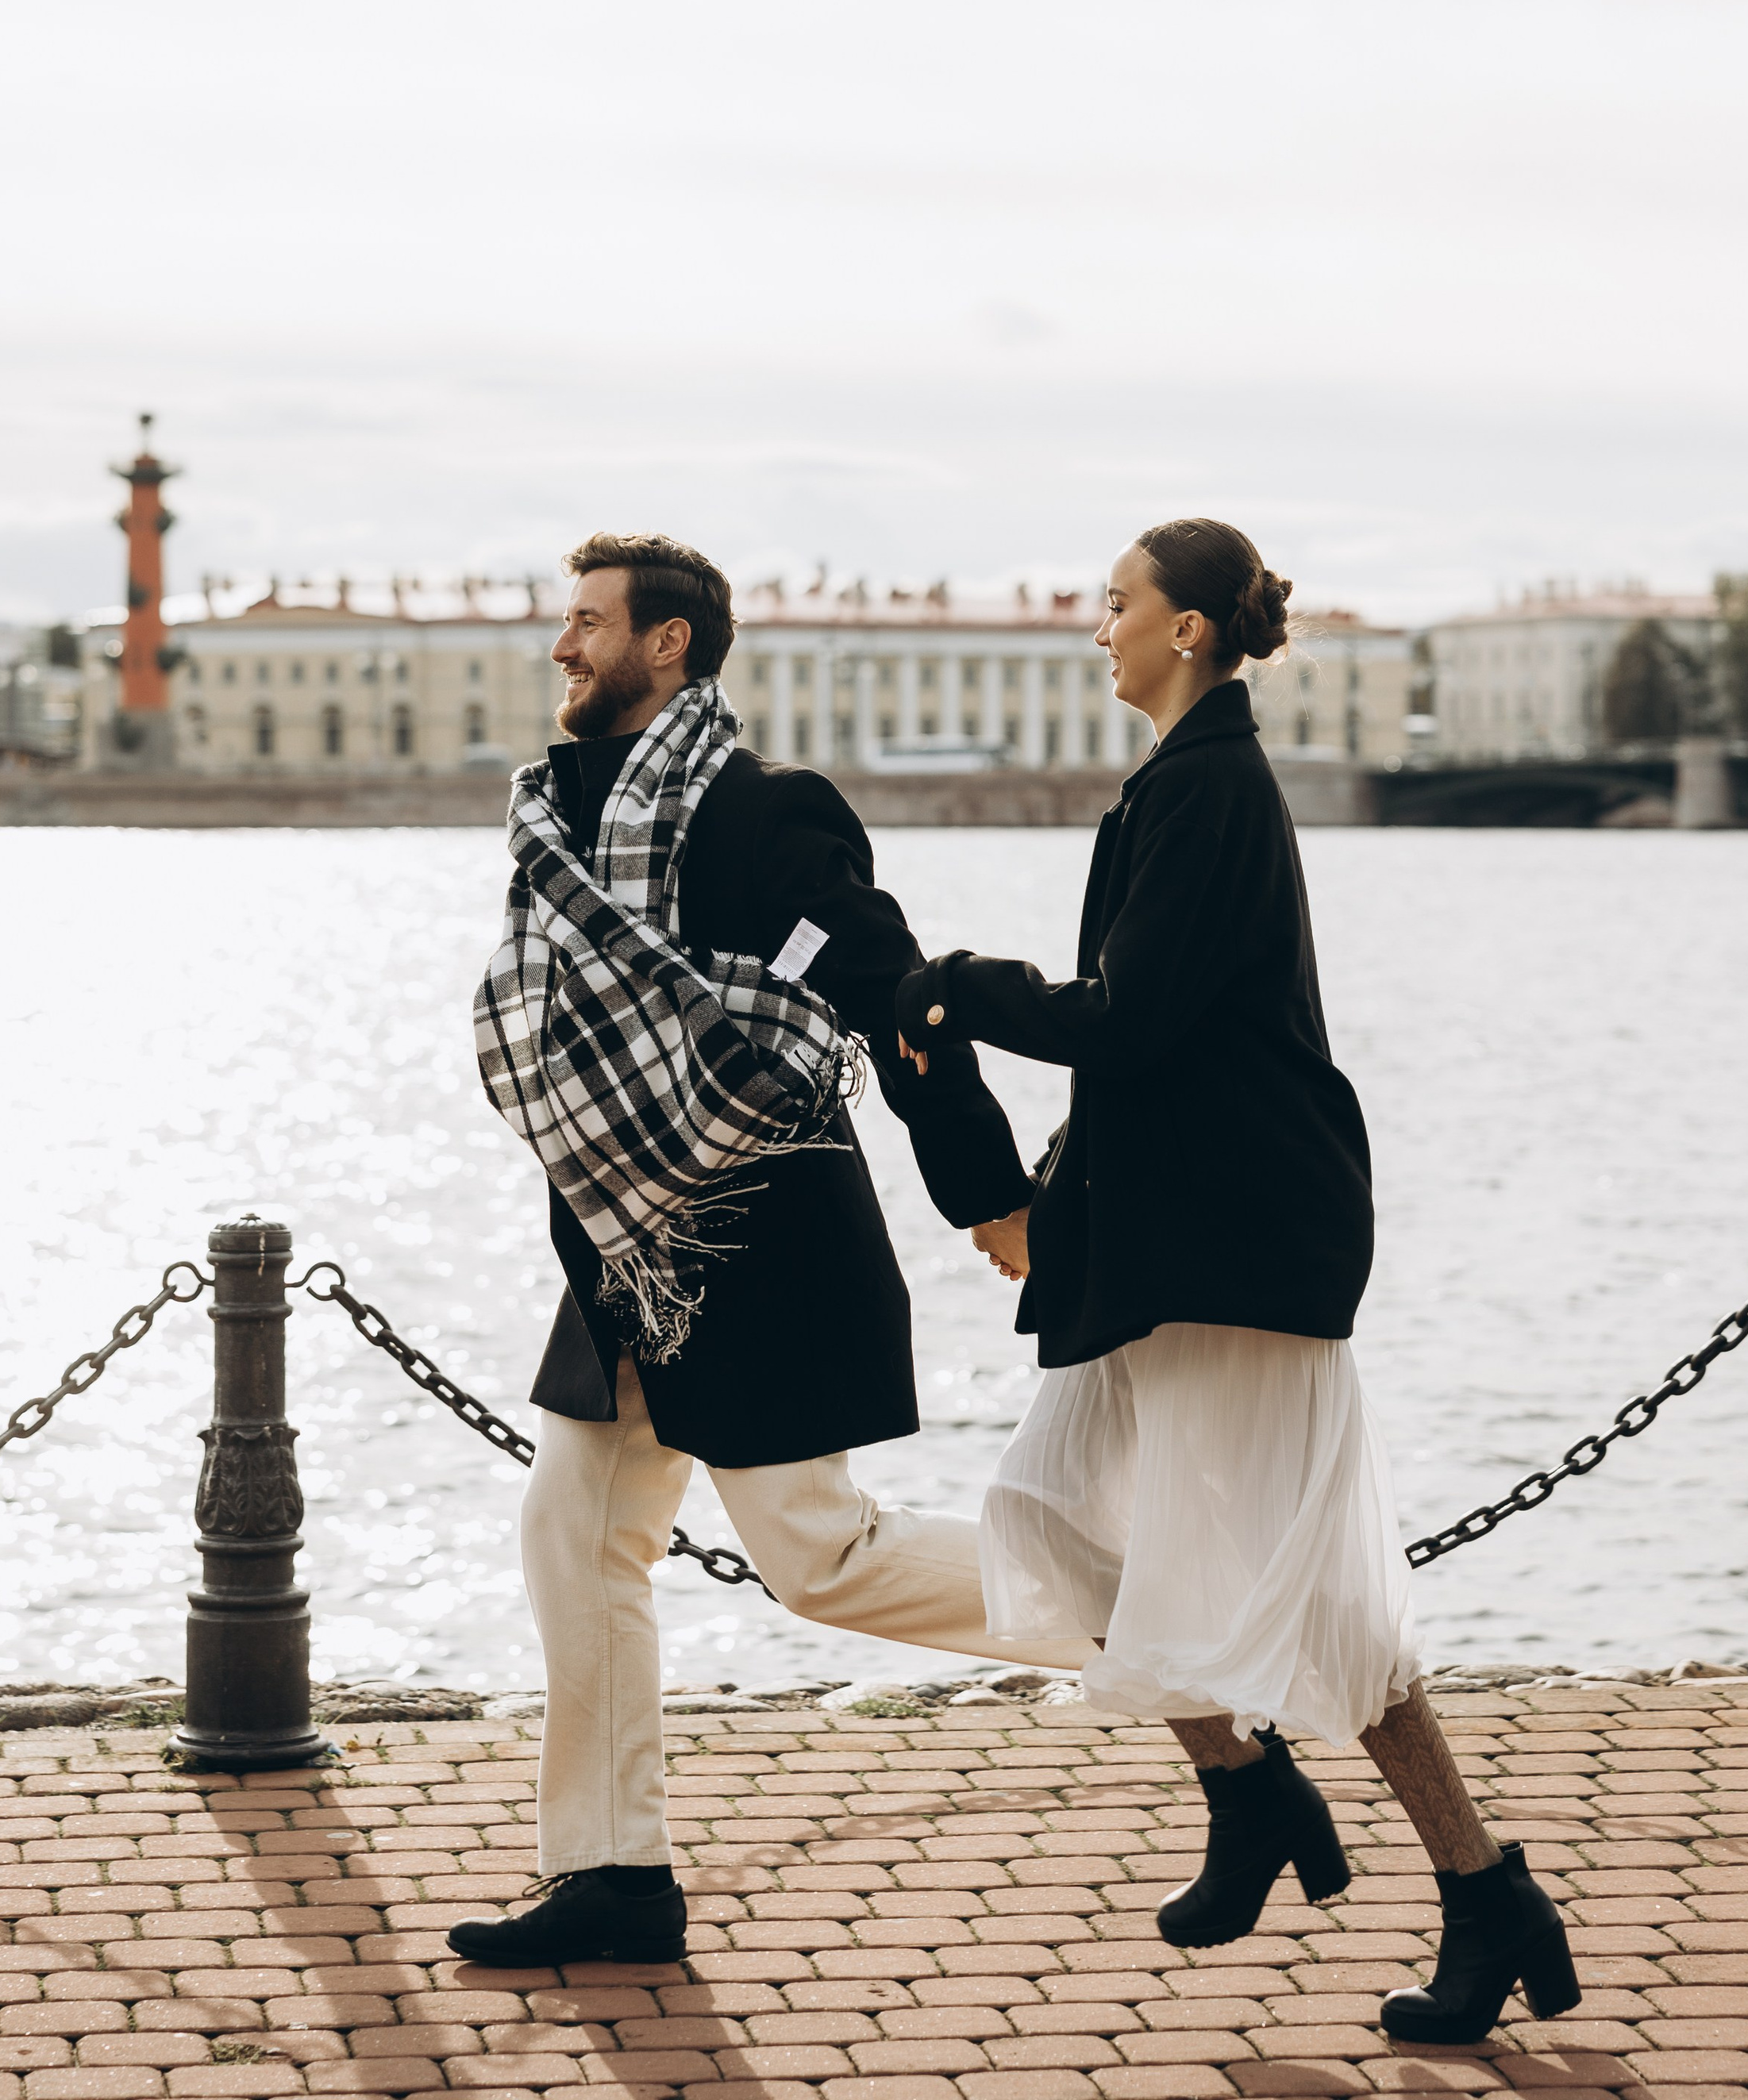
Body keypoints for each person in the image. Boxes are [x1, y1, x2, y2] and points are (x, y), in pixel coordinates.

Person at [894, 517, 1583, 2048]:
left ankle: (1484, 1892)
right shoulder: (1179, 787)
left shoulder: (1213, 790)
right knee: (1050, 1515)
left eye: (1118, 604)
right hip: (1166, 1240)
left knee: (1322, 1596)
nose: (1099, 628)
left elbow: (1131, 1020)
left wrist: (966, 986)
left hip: (1241, 1245)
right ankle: (1252, 1787)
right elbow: (1156, 1046)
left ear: (1190, 629)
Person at [448, 533, 1083, 1973]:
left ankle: (1151, 1618)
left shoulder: (763, 814)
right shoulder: (556, 816)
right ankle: (612, 1875)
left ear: (667, 645)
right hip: (626, 1243)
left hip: (759, 1232)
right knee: (576, 1531)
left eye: (588, 624)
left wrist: (989, 1193)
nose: (563, 646)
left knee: (820, 1558)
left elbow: (892, 997)